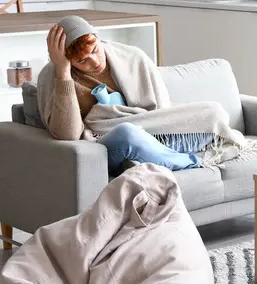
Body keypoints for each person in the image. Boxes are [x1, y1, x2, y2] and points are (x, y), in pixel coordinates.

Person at [41, 15, 207, 174]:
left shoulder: (133, 56)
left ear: (98, 37)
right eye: (82, 61)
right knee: (127, 133)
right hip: (104, 142)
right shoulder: (55, 75)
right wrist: (63, 71)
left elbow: (163, 113)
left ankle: (147, 156)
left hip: (149, 129)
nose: (95, 61)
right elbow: (67, 135)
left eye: (95, 50)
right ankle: (191, 161)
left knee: (212, 112)